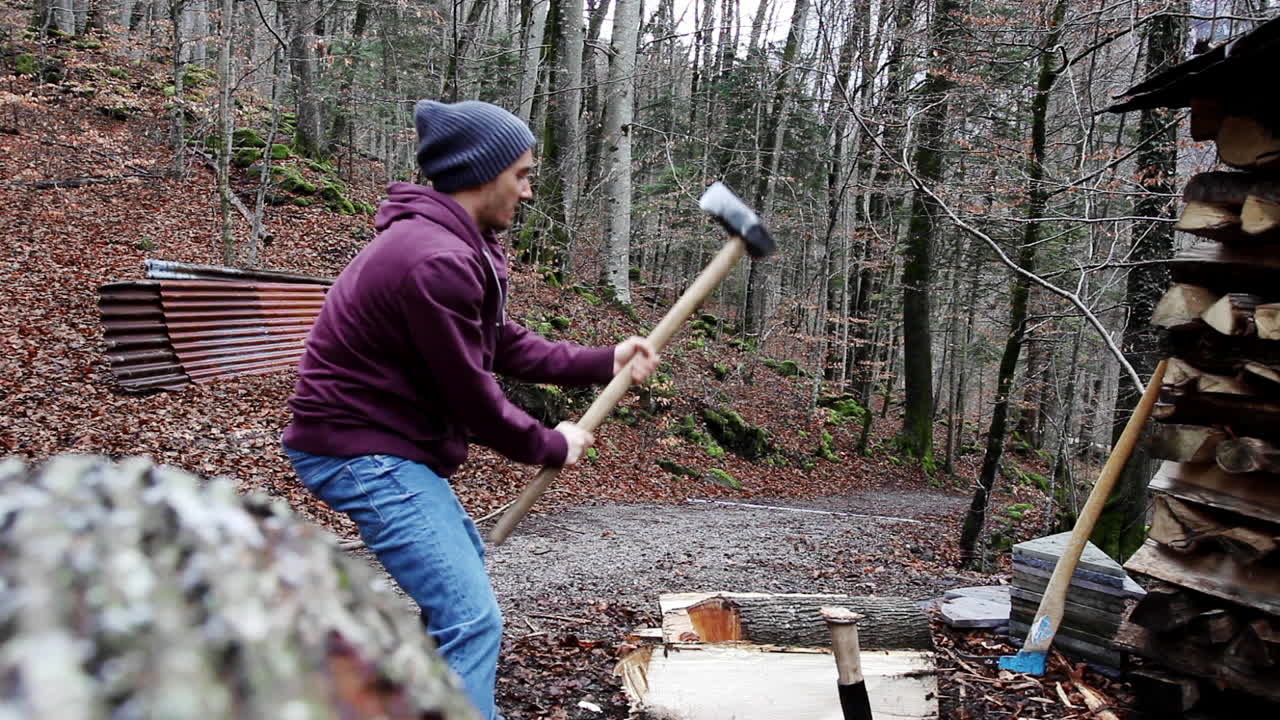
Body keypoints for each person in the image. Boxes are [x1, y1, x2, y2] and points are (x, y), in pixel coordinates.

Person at [281, 99, 659, 719]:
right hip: (360, 451)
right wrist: (548, 444)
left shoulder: (458, 244)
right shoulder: (435, 259)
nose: (529, 191)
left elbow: (500, 342)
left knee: (462, 586)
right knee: (470, 619)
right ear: (483, 173)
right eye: (523, 174)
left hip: (386, 444)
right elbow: (472, 393)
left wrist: (603, 359)